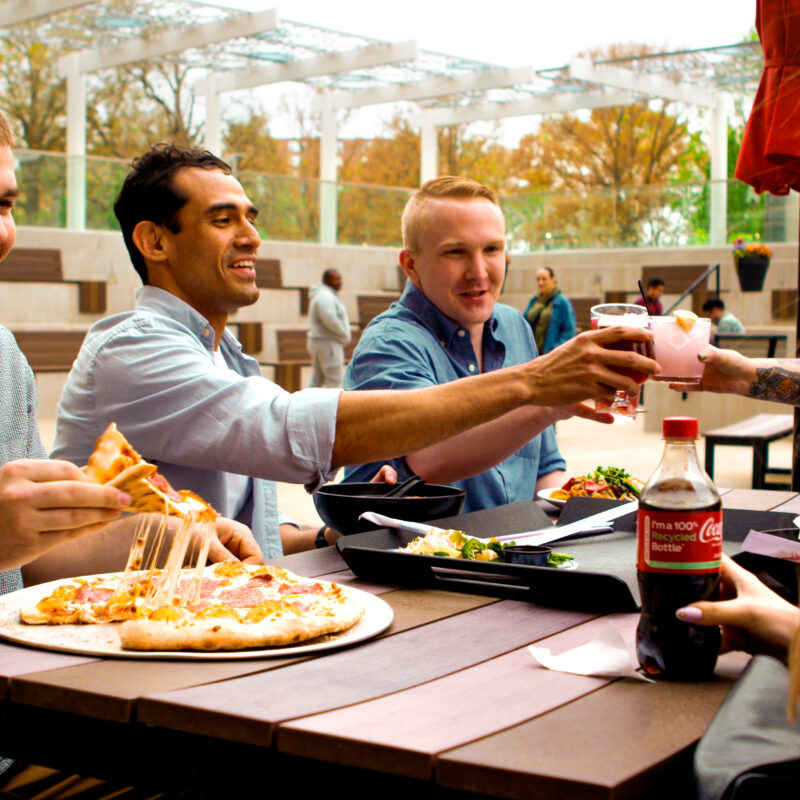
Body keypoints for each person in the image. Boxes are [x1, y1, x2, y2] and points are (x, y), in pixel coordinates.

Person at [51, 144, 658, 558]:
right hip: (110, 647)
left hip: (201, 624)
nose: (253, 235)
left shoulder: (224, 357)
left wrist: (319, 539)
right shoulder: (134, 349)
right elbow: (291, 430)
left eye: (251, 216)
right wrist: (537, 385)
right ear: (154, 240)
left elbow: (233, 530)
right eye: (222, 219)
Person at [343, 177, 608, 512]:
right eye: (456, 252)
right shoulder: (389, 344)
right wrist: (546, 401)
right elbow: (428, 455)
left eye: (492, 249)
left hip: (514, 558)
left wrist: (584, 514)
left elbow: (544, 470)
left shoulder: (515, 326)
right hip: (421, 560)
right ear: (411, 265)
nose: (479, 272)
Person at [308, 268, 351, 388]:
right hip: (328, 343)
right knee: (334, 380)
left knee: (317, 379)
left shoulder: (325, 295)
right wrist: (344, 334)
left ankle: (303, 406)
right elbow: (329, 318)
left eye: (340, 278)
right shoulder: (325, 297)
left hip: (322, 342)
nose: (339, 282)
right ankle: (329, 407)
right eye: (336, 279)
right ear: (326, 280)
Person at [523, 266, 576, 354]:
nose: (540, 282)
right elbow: (523, 322)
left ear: (553, 279)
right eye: (538, 279)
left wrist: (554, 351)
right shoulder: (534, 300)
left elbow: (569, 333)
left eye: (544, 279)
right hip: (531, 355)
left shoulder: (562, 302)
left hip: (549, 355)